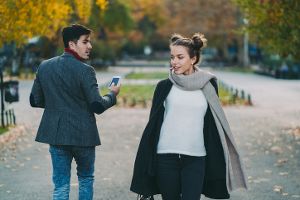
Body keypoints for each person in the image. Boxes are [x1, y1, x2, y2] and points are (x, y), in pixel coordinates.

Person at [130, 33, 247, 200]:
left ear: (193, 59)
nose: (174, 62)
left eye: (180, 57)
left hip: (196, 157)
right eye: (172, 57)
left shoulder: (208, 85)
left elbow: (213, 125)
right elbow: (153, 126)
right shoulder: (164, 87)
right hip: (165, 156)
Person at [30, 24, 120, 200]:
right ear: (72, 44)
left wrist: (57, 103)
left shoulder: (45, 66)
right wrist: (112, 94)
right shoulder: (86, 71)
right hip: (83, 136)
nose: (90, 46)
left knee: (60, 186)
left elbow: (35, 100)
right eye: (85, 42)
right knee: (85, 179)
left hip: (56, 135)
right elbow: (97, 106)